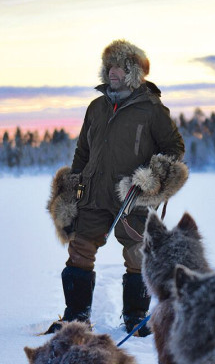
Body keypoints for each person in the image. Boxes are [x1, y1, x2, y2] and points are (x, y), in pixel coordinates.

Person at [46, 39, 186, 336]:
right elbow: (83, 150)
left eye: (120, 68)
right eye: (109, 67)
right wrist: (75, 181)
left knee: (137, 254)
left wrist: (152, 178)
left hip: (132, 197)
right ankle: (76, 318)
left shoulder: (151, 109)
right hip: (93, 192)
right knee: (80, 250)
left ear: (134, 72)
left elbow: (174, 148)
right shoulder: (96, 107)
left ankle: (136, 320)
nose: (113, 73)